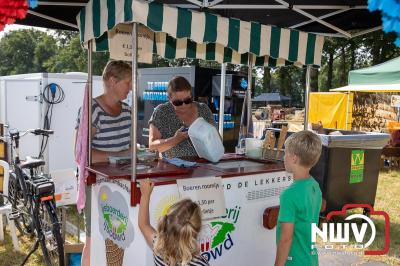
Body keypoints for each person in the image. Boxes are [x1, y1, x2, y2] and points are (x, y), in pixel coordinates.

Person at [74, 60, 132, 266]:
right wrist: (121, 154)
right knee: (93, 240)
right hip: (96, 185)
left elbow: (131, 150)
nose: (131, 88)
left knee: (118, 239)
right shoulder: (92, 110)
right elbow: (81, 154)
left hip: (122, 185)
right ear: (113, 81)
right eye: (127, 83)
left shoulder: (127, 111)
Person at [274, 130, 322, 266]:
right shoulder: (314, 186)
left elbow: (285, 239)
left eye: (285, 153)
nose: (284, 157)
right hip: (311, 259)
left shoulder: (289, 195)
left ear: (294, 158)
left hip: (294, 261)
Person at [138, 179, 210, 266]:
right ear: (196, 230)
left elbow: (143, 225)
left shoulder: (159, 248)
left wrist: (145, 195)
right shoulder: (200, 264)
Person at [148, 76, 216, 158]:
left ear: (191, 95)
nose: (184, 105)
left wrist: (206, 137)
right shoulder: (162, 111)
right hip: (174, 168)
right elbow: (152, 146)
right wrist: (175, 139)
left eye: (187, 100)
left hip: (203, 166)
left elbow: (217, 139)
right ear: (169, 98)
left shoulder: (203, 109)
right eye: (178, 102)